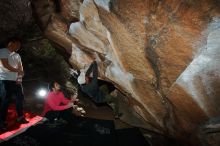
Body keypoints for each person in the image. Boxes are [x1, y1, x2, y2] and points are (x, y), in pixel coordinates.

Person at [0, 38, 28, 130]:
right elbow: (5, 66)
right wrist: (18, 71)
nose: (19, 47)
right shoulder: (3, 51)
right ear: (11, 43)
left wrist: (20, 77)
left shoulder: (17, 55)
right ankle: (2, 121)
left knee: (20, 98)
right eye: (17, 44)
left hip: (16, 81)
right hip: (5, 79)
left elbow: (21, 67)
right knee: (6, 100)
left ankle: (20, 117)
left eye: (20, 46)